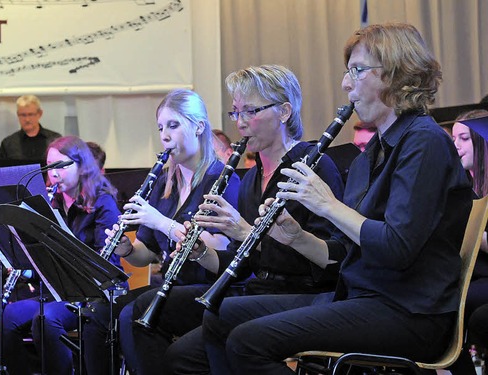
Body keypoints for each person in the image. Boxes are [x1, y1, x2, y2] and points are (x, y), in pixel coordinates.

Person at [166, 22, 473, 375]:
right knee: (221, 314)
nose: (346, 83)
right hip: (362, 297)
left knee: (248, 342)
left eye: (357, 71)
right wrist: (298, 237)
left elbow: (396, 247)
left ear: (396, 74)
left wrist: (328, 204)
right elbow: (343, 254)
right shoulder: (370, 155)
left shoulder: (424, 142)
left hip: (408, 311)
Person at [126, 65, 344, 375]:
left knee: (222, 318)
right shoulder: (254, 177)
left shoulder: (313, 166)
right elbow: (244, 265)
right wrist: (204, 254)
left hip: (307, 294)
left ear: (284, 112)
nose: (240, 124)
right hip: (264, 291)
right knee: (179, 354)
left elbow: (325, 263)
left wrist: (244, 231)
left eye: (250, 112)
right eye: (236, 113)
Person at [82, 88, 241, 375]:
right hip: (172, 284)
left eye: (173, 125)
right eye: (160, 128)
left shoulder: (221, 178)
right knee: (96, 314)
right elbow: (147, 254)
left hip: (210, 289)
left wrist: (160, 221)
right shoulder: (165, 184)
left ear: (199, 127)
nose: (165, 135)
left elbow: (217, 245)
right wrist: (127, 249)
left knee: (135, 314)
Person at [0, 135, 122, 375]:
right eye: (50, 167)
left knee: (46, 319)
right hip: (58, 292)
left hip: (94, 294)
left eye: (61, 166)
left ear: (82, 166)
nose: (54, 174)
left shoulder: (103, 203)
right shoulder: (50, 204)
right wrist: (28, 266)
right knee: (5, 316)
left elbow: (108, 263)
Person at [449, 109, 488, 374]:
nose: (456, 146)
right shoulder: (466, 188)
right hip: (475, 274)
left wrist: (466, 226)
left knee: (453, 305)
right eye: (453, 139)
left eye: (463, 138)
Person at [0, 95, 61, 161]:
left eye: (30, 114)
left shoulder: (55, 140)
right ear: (17, 114)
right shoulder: (8, 144)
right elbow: (1, 169)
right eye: (23, 115)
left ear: (40, 113)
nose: (27, 119)